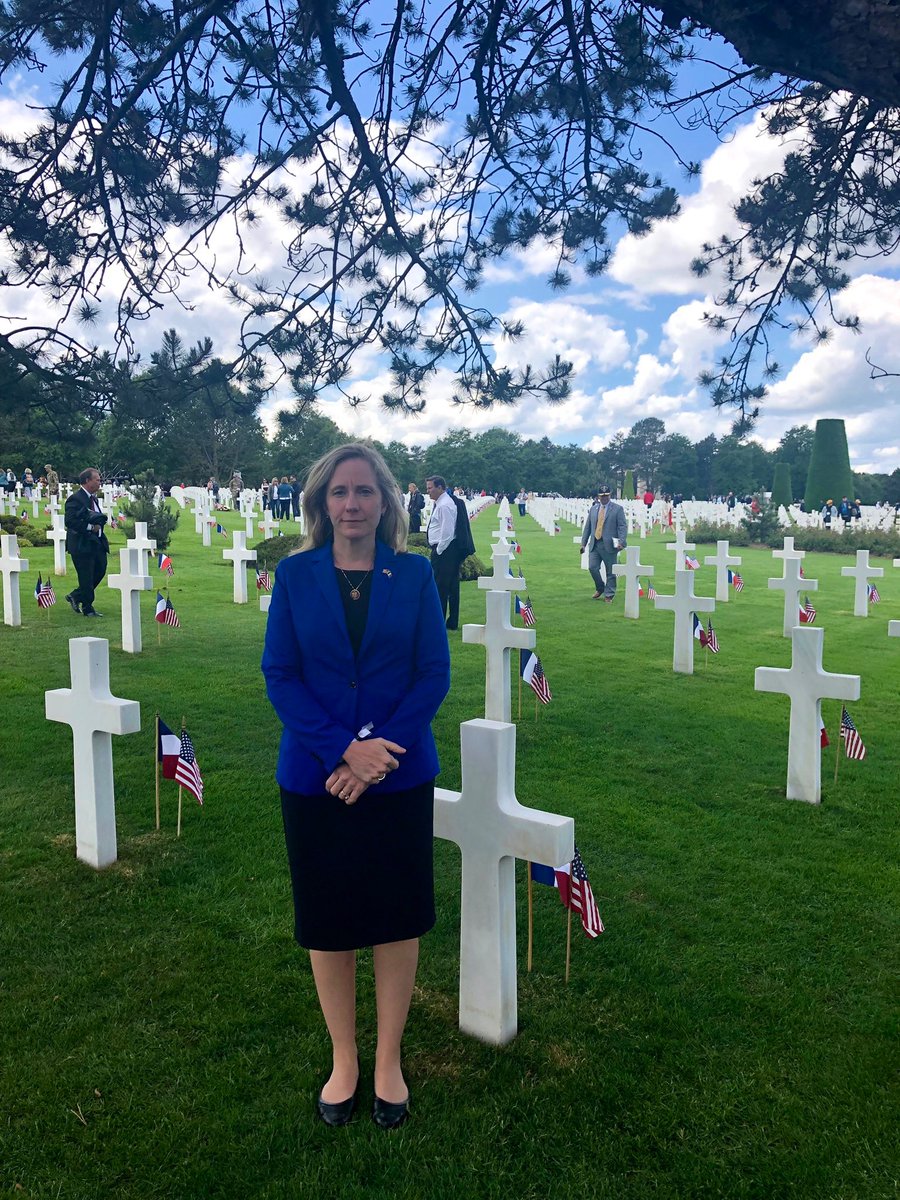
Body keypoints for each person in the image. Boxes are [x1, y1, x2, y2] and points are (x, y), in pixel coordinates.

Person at [261, 443, 450, 1131]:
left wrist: (377, 756)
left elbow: (433, 673)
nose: (351, 504)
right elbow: (280, 672)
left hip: (397, 780)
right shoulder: (295, 575)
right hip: (317, 777)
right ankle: (345, 1056)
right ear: (320, 503)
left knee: (396, 917)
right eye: (339, 492)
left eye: (364, 492)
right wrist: (344, 749)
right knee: (330, 918)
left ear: (385, 503)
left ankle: (389, 1058)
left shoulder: (417, 575)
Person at [63, 467, 110, 617]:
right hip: (82, 544)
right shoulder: (75, 499)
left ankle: (76, 596)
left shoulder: (93, 498)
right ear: (87, 481)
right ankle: (88, 608)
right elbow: (70, 521)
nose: (99, 482)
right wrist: (90, 527)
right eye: (97, 480)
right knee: (86, 576)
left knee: (100, 570)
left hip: (97, 543)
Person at [425, 474, 462, 629]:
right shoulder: (443, 502)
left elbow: (447, 532)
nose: (428, 491)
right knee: (451, 586)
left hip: (444, 550)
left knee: (441, 586)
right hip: (447, 550)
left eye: (430, 488)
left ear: (440, 487)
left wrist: (439, 551)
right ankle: (451, 621)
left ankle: (438, 621)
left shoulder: (444, 505)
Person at [579, 484, 627, 602]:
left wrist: (621, 541)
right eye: (602, 496)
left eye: (606, 496)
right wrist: (583, 543)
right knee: (592, 567)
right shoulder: (594, 509)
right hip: (595, 543)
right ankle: (600, 588)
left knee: (610, 571)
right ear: (598, 497)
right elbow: (588, 527)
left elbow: (622, 526)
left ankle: (609, 594)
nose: (604, 498)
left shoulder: (617, 509)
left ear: (610, 495)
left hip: (609, 545)